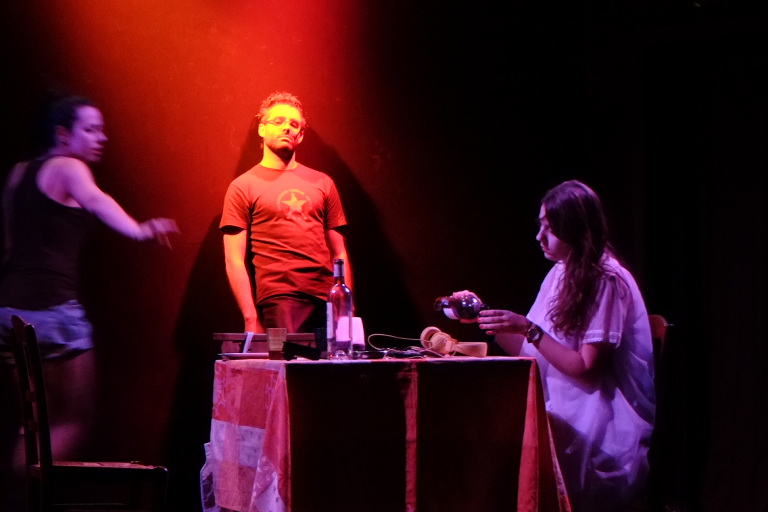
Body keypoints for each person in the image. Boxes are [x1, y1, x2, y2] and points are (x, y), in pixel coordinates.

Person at [0, 94, 179, 508]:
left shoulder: (19, 173)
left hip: (8, 312)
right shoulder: (70, 167)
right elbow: (96, 200)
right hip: (50, 313)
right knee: (75, 418)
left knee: (35, 423)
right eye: (91, 129)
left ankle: (22, 497)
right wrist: (138, 229)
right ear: (63, 135)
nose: (102, 137)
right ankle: (22, 497)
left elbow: (9, 244)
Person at [453, 180, 655, 512]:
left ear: (575, 230)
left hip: (600, 428)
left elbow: (585, 368)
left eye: (550, 228)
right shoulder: (560, 273)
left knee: (506, 454)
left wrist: (528, 328)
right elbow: (531, 351)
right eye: (541, 226)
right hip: (562, 408)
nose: (539, 237)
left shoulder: (605, 278)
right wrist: (485, 317)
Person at [220, 91, 352, 334]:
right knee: (282, 358)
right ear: (262, 129)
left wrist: (346, 311)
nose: (287, 128)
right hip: (279, 301)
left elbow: (339, 252)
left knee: (333, 359)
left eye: (294, 124)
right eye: (278, 121)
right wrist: (250, 318)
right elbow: (234, 260)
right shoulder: (243, 186)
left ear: (300, 135)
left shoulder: (323, 183)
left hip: (326, 300)